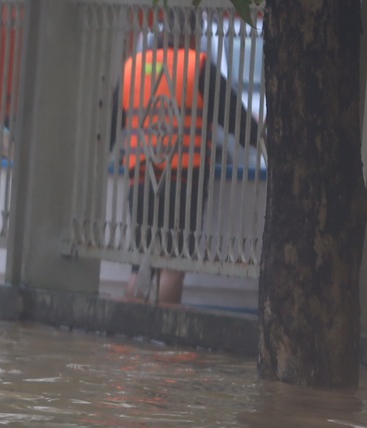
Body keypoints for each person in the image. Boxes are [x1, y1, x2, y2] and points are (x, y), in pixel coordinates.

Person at [111, 25, 261, 304]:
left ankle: (128, 332)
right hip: (184, 181)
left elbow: (110, 125)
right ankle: (165, 338)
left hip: (141, 179)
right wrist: (264, 144)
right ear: (191, 34)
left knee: (141, 261)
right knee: (172, 263)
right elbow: (236, 119)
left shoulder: (134, 67)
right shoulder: (197, 66)